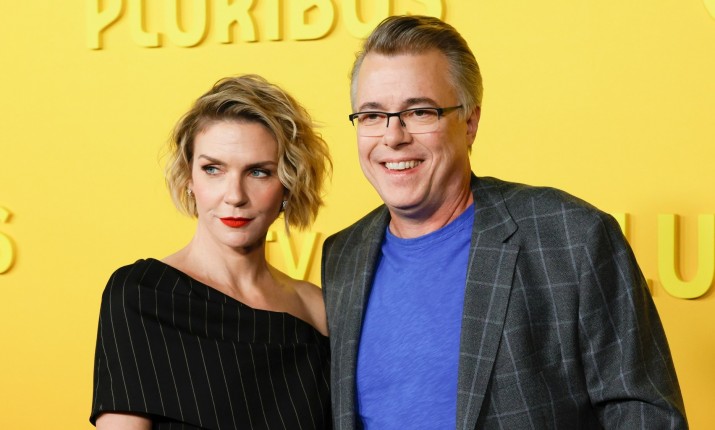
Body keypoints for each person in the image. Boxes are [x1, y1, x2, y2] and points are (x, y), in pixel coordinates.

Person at [321, 15, 688, 429]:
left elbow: (645, 415)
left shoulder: (572, 236)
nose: (393, 136)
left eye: (420, 112)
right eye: (372, 116)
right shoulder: (342, 255)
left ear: (470, 122)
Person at [91, 75, 332, 429]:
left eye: (258, 172)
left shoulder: (318, 311)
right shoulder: (141, 295)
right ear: (189, 178)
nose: (234, 195)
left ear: (288, 184)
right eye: (213, 169)